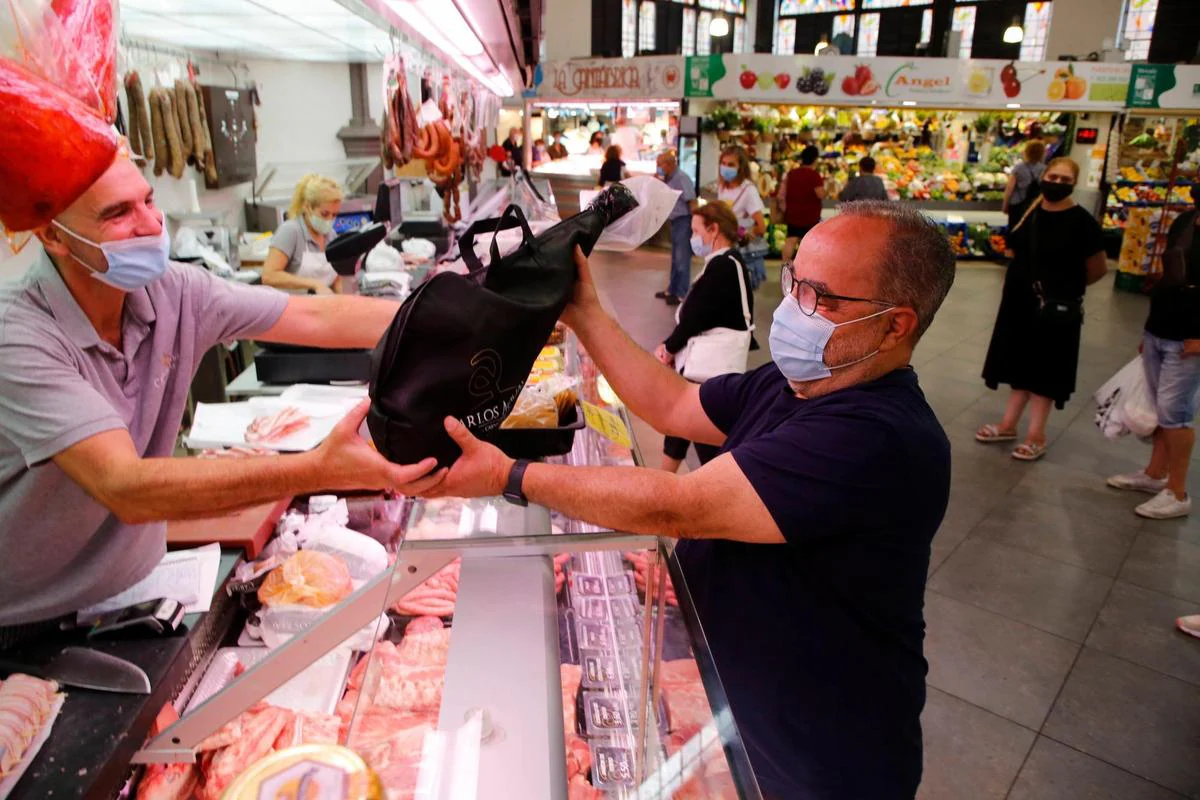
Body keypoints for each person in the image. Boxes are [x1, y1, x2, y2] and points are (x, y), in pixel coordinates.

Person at [417, 201, 958, 799]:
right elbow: (673, 404)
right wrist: (584, 313)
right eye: (793, 281)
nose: (792, 309)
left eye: (820, 298)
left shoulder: (881, 437)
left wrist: (507, 475)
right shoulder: (791, 384)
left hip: (819, 749)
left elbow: (677, 506)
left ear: (895, 324)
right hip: (744, 705)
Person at [0, 155, 445, 634]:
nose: (151, 225)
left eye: (149, 201)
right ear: (52, 234)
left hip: (137, 591)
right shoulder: (20, 335)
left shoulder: (173, 290)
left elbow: (317, 317)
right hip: (30, 620)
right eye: (118, 214)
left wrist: (455, 317)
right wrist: (317, 469)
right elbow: (125, 487)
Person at [978, 157, 1108, 461]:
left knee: (1046, 370)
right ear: (1043, 177)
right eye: (1054, 177)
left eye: (1065, 180)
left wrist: (1064, 291)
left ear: (1074, 183)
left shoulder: (1082, 222)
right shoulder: (1031, 212)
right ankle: (1008, 424)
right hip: (1020, 303)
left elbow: (1098, 268)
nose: (1057, 183)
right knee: (1020, 363)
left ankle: (1037, 434)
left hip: (1055, 307)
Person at [1107, 207, 1200, 518]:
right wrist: (1149, 328)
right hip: (1161, 327)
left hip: (1190, 341)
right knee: (1161, 407)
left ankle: (1177, 491)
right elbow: (1170, 273)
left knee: (1177, 414)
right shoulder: (1185, 220)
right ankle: (1155, 473)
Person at [655, 202, 755, 472]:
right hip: (707, 373)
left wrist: (669, 347)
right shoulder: (725, 263)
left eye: (695, 231)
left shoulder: (723, 266)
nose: (692, 238)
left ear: (713, 230)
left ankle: (720, 497)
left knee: (706, 438)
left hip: (710, 374)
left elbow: (697, 315)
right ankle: (663, 483)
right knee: (680, 423)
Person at [262, 174, 343, 295]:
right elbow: (269, 276)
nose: (329, 220)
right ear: (307, 207)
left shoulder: (331, 235)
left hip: (321, 307)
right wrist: (314, 284)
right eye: (325, 214)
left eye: (334, 215)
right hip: (292, 307)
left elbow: (336, 277)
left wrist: (342, 301)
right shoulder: (290, 231)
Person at [716, 147, 768, 289]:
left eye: (731, 164)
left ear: (741, 167)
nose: (726, 167)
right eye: (724, 163)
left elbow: (761, 227)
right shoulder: (722, 187)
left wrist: (739, 232)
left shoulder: (748, 190)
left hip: (742, 253)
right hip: (724, 250)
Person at [653, 150, 697, 307]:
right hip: (674, 222)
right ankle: (672, 289)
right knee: (675, 258)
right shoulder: (668, 178)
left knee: (682, 258)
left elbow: (691, 201)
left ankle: (681, 293)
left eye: (660, 164)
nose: (658, 167)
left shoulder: (681, 178)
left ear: (670, 164)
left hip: (683, 221)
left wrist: (694, 224)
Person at [779, 145, 826, 268]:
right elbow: (820, 194)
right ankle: (807, 268)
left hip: (792, 213)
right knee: (809, 243)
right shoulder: (814, 175)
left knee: (791, 240)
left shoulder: (792, 174)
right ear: (815, 159)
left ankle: (785, 267)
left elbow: (781, 193)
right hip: (810, 215)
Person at [1002, 140, 1046, 232]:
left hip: (1017, 204)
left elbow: (1010, 188)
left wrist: (1005, 205)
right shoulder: (1044, 169)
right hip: (1034, 205)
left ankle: (1011, 245)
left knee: (1013, 228)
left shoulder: (1019, 167)